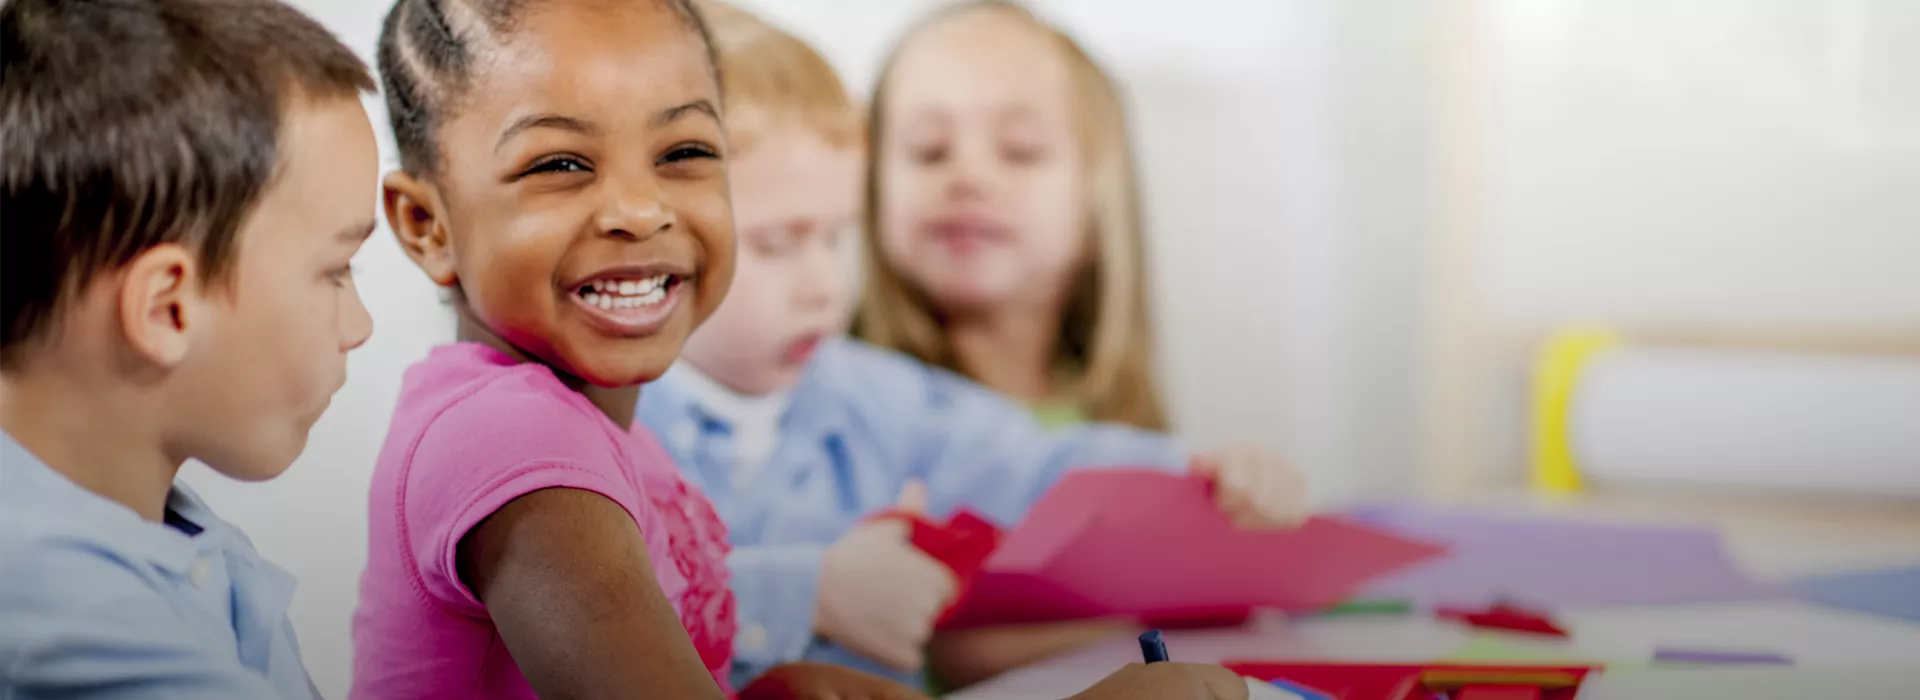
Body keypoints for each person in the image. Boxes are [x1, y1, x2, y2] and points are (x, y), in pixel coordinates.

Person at [351, 1, 1253, 698]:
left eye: (686, 151)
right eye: (560, 164)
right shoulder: (515, 446)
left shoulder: (599, 427)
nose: (640, 208)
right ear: (426, 225)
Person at [640, 1, 1307, 690]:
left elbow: (1032, 465)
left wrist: (1199, 473)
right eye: (780, 243)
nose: (825, 286)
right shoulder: (613, 419)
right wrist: (807, 595)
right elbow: (589, 607)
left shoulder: (868, 391)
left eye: (838, 238)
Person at [0, 0, 379, 696]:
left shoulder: (167, 528)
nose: (360, 325)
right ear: (167, 307)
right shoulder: (67, 628)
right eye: (336, 271)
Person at [855, 1, 1170, 431]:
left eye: (1020, 150)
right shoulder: (836, 417)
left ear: (1098, 203)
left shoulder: (1125, 440)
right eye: (929, 150)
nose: (968, 176)